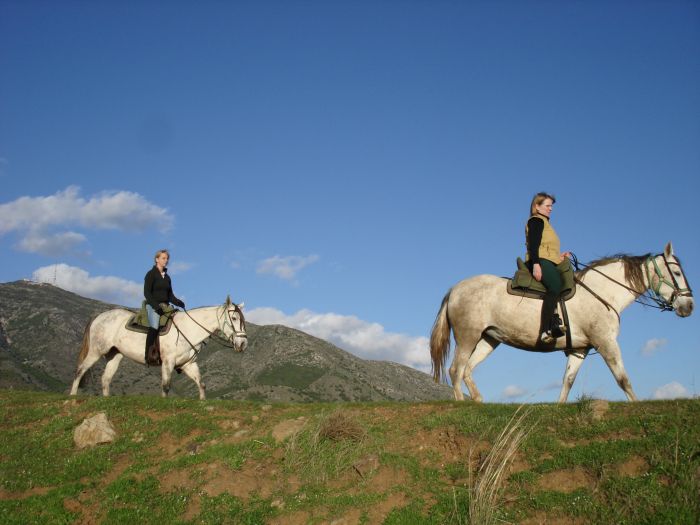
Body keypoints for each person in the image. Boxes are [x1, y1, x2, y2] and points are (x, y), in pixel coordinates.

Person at [525, 192, 571, 343]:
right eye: (548, 205)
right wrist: (536, 265)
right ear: (537, 207)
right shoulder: (536, 221)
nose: (551, 209)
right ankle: (545, 330)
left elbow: (548, 248)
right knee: (556, 285)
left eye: (551, 206)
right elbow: (534, 245)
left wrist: (560, 257)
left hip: (548, 260)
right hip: (539, 260)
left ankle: (556, 320)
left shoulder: (546, 224)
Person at [143, 249, 185, 365]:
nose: (165, 261)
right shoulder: (151, 274)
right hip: (153, 305)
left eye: (167, 259)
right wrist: (156, 307)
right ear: (157, 259)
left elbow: (170, 295)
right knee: (154, 325)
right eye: (163, 258)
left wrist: (178, 302)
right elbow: (147, 293)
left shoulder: (167, 277)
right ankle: (148, 355)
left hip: (166, 306)